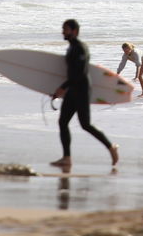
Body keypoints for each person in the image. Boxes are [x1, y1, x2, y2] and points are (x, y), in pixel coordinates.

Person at [50, 19, 118, 172]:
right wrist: (61, 89)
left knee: (85, 124)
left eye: (65, 29)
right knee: (62, 122)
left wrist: (62, 88)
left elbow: (80, 73)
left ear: (74, 31)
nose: (63, 32)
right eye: (63, 29)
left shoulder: (80, 48)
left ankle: (111, 147)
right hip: (72, 90)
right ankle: (67, 158)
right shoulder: (71, 48)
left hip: (81, 90)